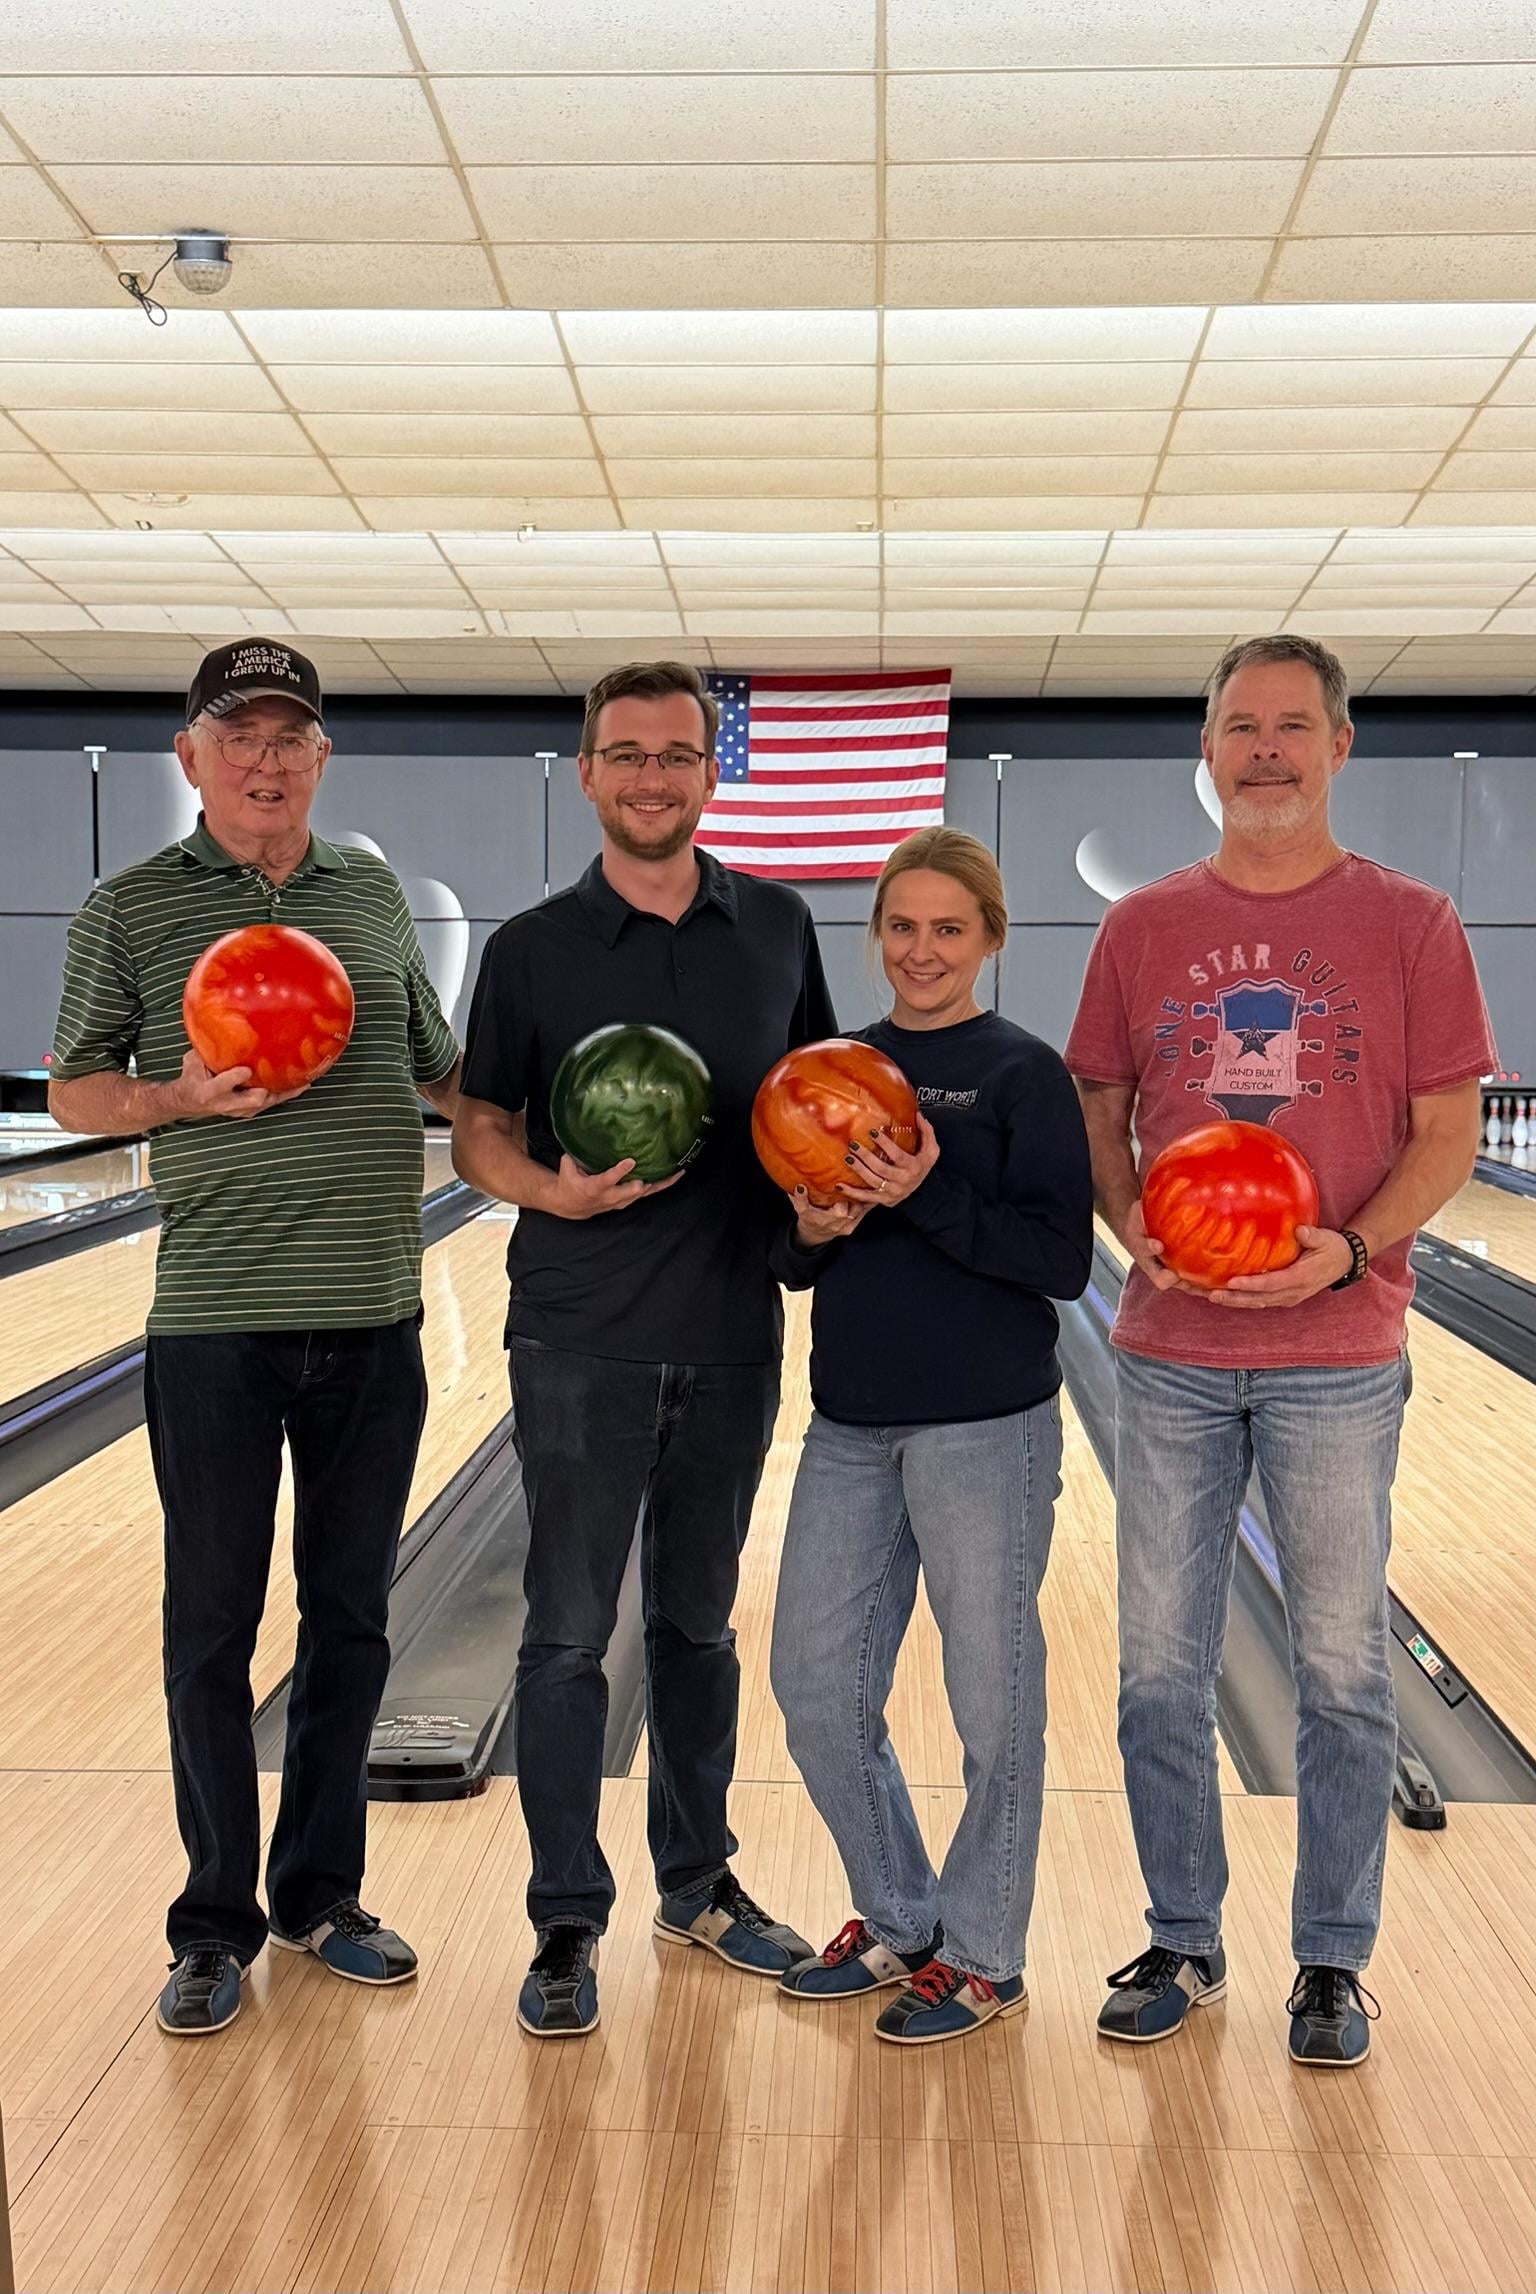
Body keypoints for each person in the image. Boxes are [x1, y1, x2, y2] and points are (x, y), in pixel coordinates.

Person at [1064, 634, 1492, 2068]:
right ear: (1206, 747)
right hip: (1172, 1346)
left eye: (1291, 726)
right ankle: (1184, 1935)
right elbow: (1099, 1103)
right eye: (1239, 724)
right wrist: (1133, 1226)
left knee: (1344, 1671)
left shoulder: (1415, 923)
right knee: (1156, 1674)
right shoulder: (1143, 927)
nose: (1263, 748)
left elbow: (1445, 1132)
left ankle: (1330, 1956)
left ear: (1339, 748)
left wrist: (1348, 1249)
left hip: (1342, 1345)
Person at [49, 640, 461, 2037]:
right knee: (211, 1627)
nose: (267, 759)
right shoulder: (131, 908)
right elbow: (75, 1086)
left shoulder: (370, 890)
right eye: (241, 734)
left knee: (351, 1619)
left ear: (322, 758)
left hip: (373, 1311)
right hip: (216, 1319)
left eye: (291, 736)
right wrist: (174, 1095)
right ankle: (214, 1918)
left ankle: (322, 1893)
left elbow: (437, 1061)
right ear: (192, 754)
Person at [452, 659, 837, 2038]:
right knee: (565, 1635)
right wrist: (545, 1186)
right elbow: (482, 1123)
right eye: (627, 754)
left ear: (709, 771)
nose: (653, 776)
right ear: (589, 771)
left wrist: (828, 1194)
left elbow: (815, 1105)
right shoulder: (535, 945)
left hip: (732, 1333)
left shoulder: (780, 925)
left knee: (694, 1626)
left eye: (678, 753)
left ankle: (701, 1882)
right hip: (579, 1337)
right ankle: (566, 1918)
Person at [767, 827, 1093, 2045]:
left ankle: (988, 1955)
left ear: (990, 939)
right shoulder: (829, 1069)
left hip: (986, 1429)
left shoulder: (1021, 1074)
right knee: (811, 1683)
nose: (922, 950)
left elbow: (1060, 1260)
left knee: (993, 1701)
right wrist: (813, 1226)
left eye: (949, 928)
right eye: (902, 926)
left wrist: (927, 1196)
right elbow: (785, 1261)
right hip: (850, 1422)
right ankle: (903, 1916)